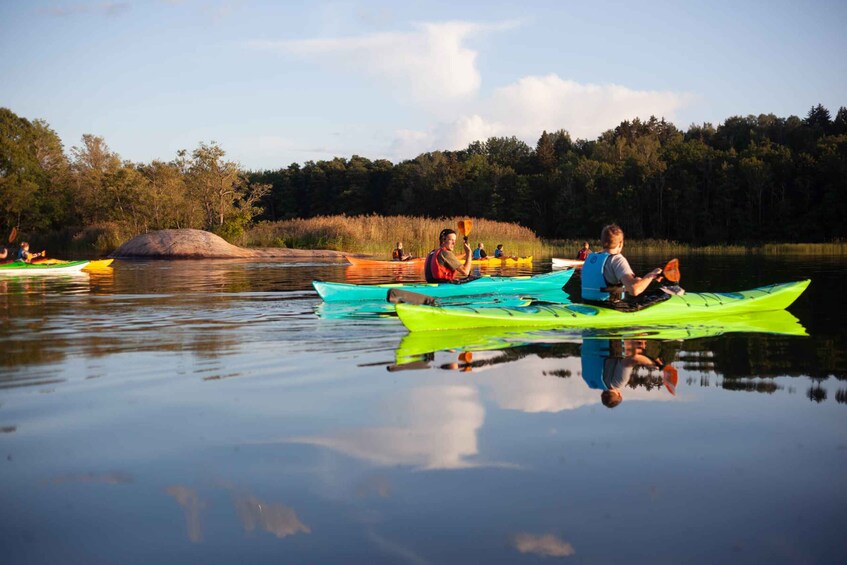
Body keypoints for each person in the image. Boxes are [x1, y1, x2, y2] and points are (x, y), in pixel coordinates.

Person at [581, 224, 662, 303]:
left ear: (602, 241)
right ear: (620, 243)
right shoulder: (617, 259)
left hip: (587, 304)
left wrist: (640, 281)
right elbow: (634, 290)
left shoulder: (590, 257)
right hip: (610, 308)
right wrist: (651, 275)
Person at [581, 339, 667, 408]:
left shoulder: (617, 384)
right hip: (589, 338)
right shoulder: (589, 380)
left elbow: (632, 359)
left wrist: (653, 364)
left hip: (607, 338)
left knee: (638, 350)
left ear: (619, 395)